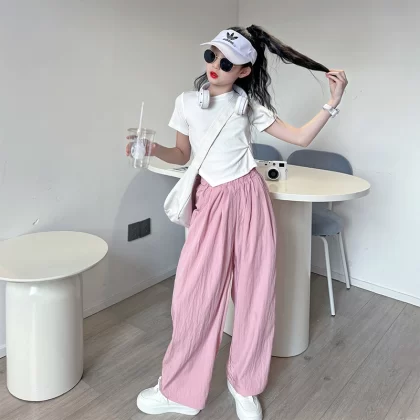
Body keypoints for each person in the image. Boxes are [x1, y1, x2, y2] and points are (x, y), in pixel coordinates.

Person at [128, 25, 348, 420]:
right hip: (210, 200)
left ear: (244, 70)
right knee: (193, 297)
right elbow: (182, 155)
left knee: (255, 294)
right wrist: (153, 148)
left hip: (249, 197)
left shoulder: (249, 106)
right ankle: (179, 391)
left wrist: (332, 102)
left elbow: (300, 138)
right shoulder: (186, 102)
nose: (215, 65)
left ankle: (245, 385)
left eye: (227, 62)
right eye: (211, 55)